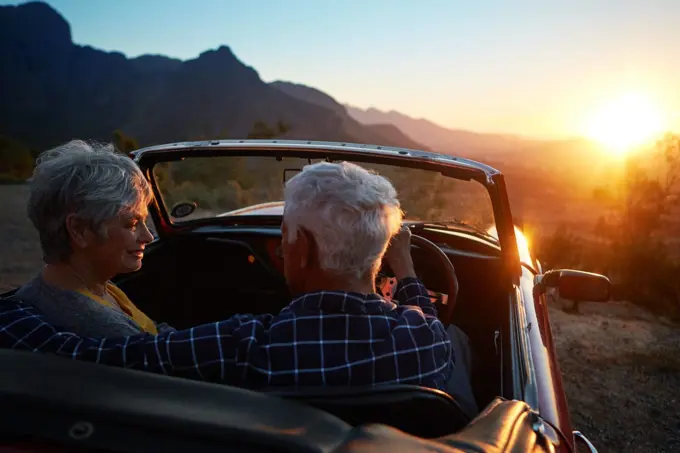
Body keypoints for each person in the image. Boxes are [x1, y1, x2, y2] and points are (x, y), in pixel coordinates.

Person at [1, 161, 477, 415]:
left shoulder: (236, 346)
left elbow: (92, 360)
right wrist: (407, 270)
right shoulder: (429, 343)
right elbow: (425, 315)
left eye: (286, 235)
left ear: (301, 250)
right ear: (380, 252)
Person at [13, 140, 173, 336]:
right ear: (79, 230)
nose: (148, 237)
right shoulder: (103, 328)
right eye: (132, 224)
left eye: (144, 222)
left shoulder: (96, 286)